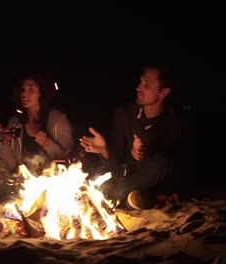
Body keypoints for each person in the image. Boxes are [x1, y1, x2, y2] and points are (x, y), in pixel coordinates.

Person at [79, 63, 186, 210]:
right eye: (140, 82)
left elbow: (164, 167)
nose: (138, 88)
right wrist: (104, 150)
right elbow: (115, 163)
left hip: (148, 177)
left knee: (162, 164)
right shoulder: (125, 114)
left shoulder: (174, 121)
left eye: (146, 85)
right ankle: (139, 199)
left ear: (164, 92)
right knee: (100, 177)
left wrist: (141, 152)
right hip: (125, 174)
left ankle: (136, 196)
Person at [0, 73, 75, 192]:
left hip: (55, 189)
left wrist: (48, 144)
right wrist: (0, 137)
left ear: (42, 93)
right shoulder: (15, 122)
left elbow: (69, 159)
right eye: (22, 90)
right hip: (26, 190)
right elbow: (10, 163)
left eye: (31, 89)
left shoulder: (58, 120)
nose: (24, 94)